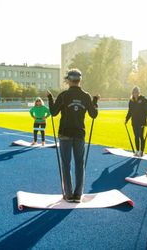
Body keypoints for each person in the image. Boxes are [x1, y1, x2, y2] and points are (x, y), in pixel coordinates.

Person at [47, 68, 98, 203]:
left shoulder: (63, 95)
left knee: (66, 164)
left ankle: (68, 194)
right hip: (79, 133)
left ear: (68, 80)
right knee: (79, 164)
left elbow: (53, 112)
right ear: (79, 80)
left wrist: (50, 98)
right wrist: (95, 102)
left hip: (65, 133)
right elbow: (94, 115)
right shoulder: (86, 96)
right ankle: (78, 194)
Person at [125, 86, 147, 157]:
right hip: (134, 121)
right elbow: (130, 111)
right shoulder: (131, 101)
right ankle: (137, 151)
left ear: (139, 92)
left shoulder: (143, 99)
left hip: (142, 121)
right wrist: (126, 119)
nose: (135, 93)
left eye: (136, 92)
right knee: (136, 136)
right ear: (132, 93)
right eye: (134, 92)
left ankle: (141, 151)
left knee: (141, 136)